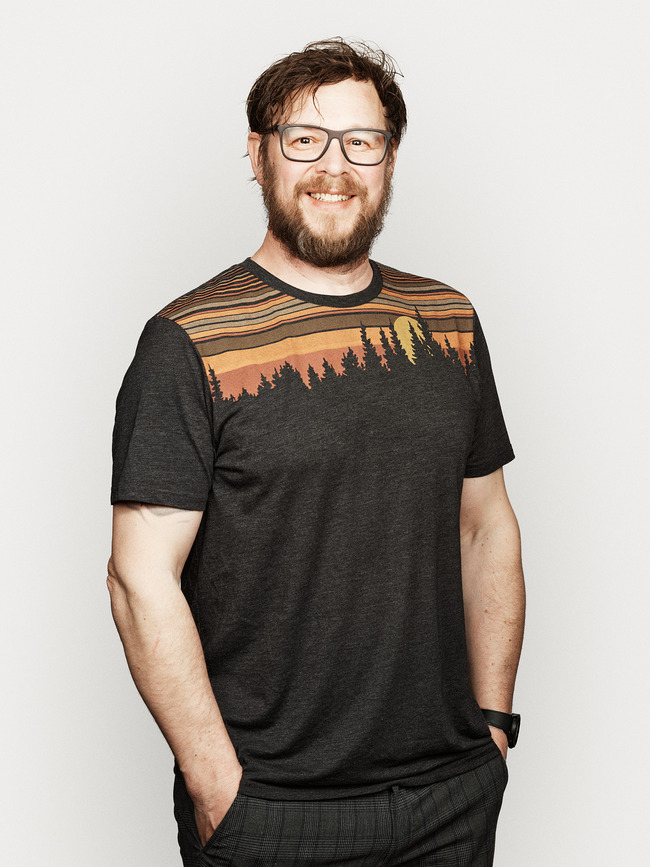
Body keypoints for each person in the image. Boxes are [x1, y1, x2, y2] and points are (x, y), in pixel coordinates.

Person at [108, 38, 525, 866]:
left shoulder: (448, 322)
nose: (334, 166)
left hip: (452, 794)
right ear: (258, 153)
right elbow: (138, 577)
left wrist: (494, 726)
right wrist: (216, 784)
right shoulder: (188, 340)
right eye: (305, 138)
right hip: (273, 807)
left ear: (389, 159)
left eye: (361, 141)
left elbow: (485, 525)